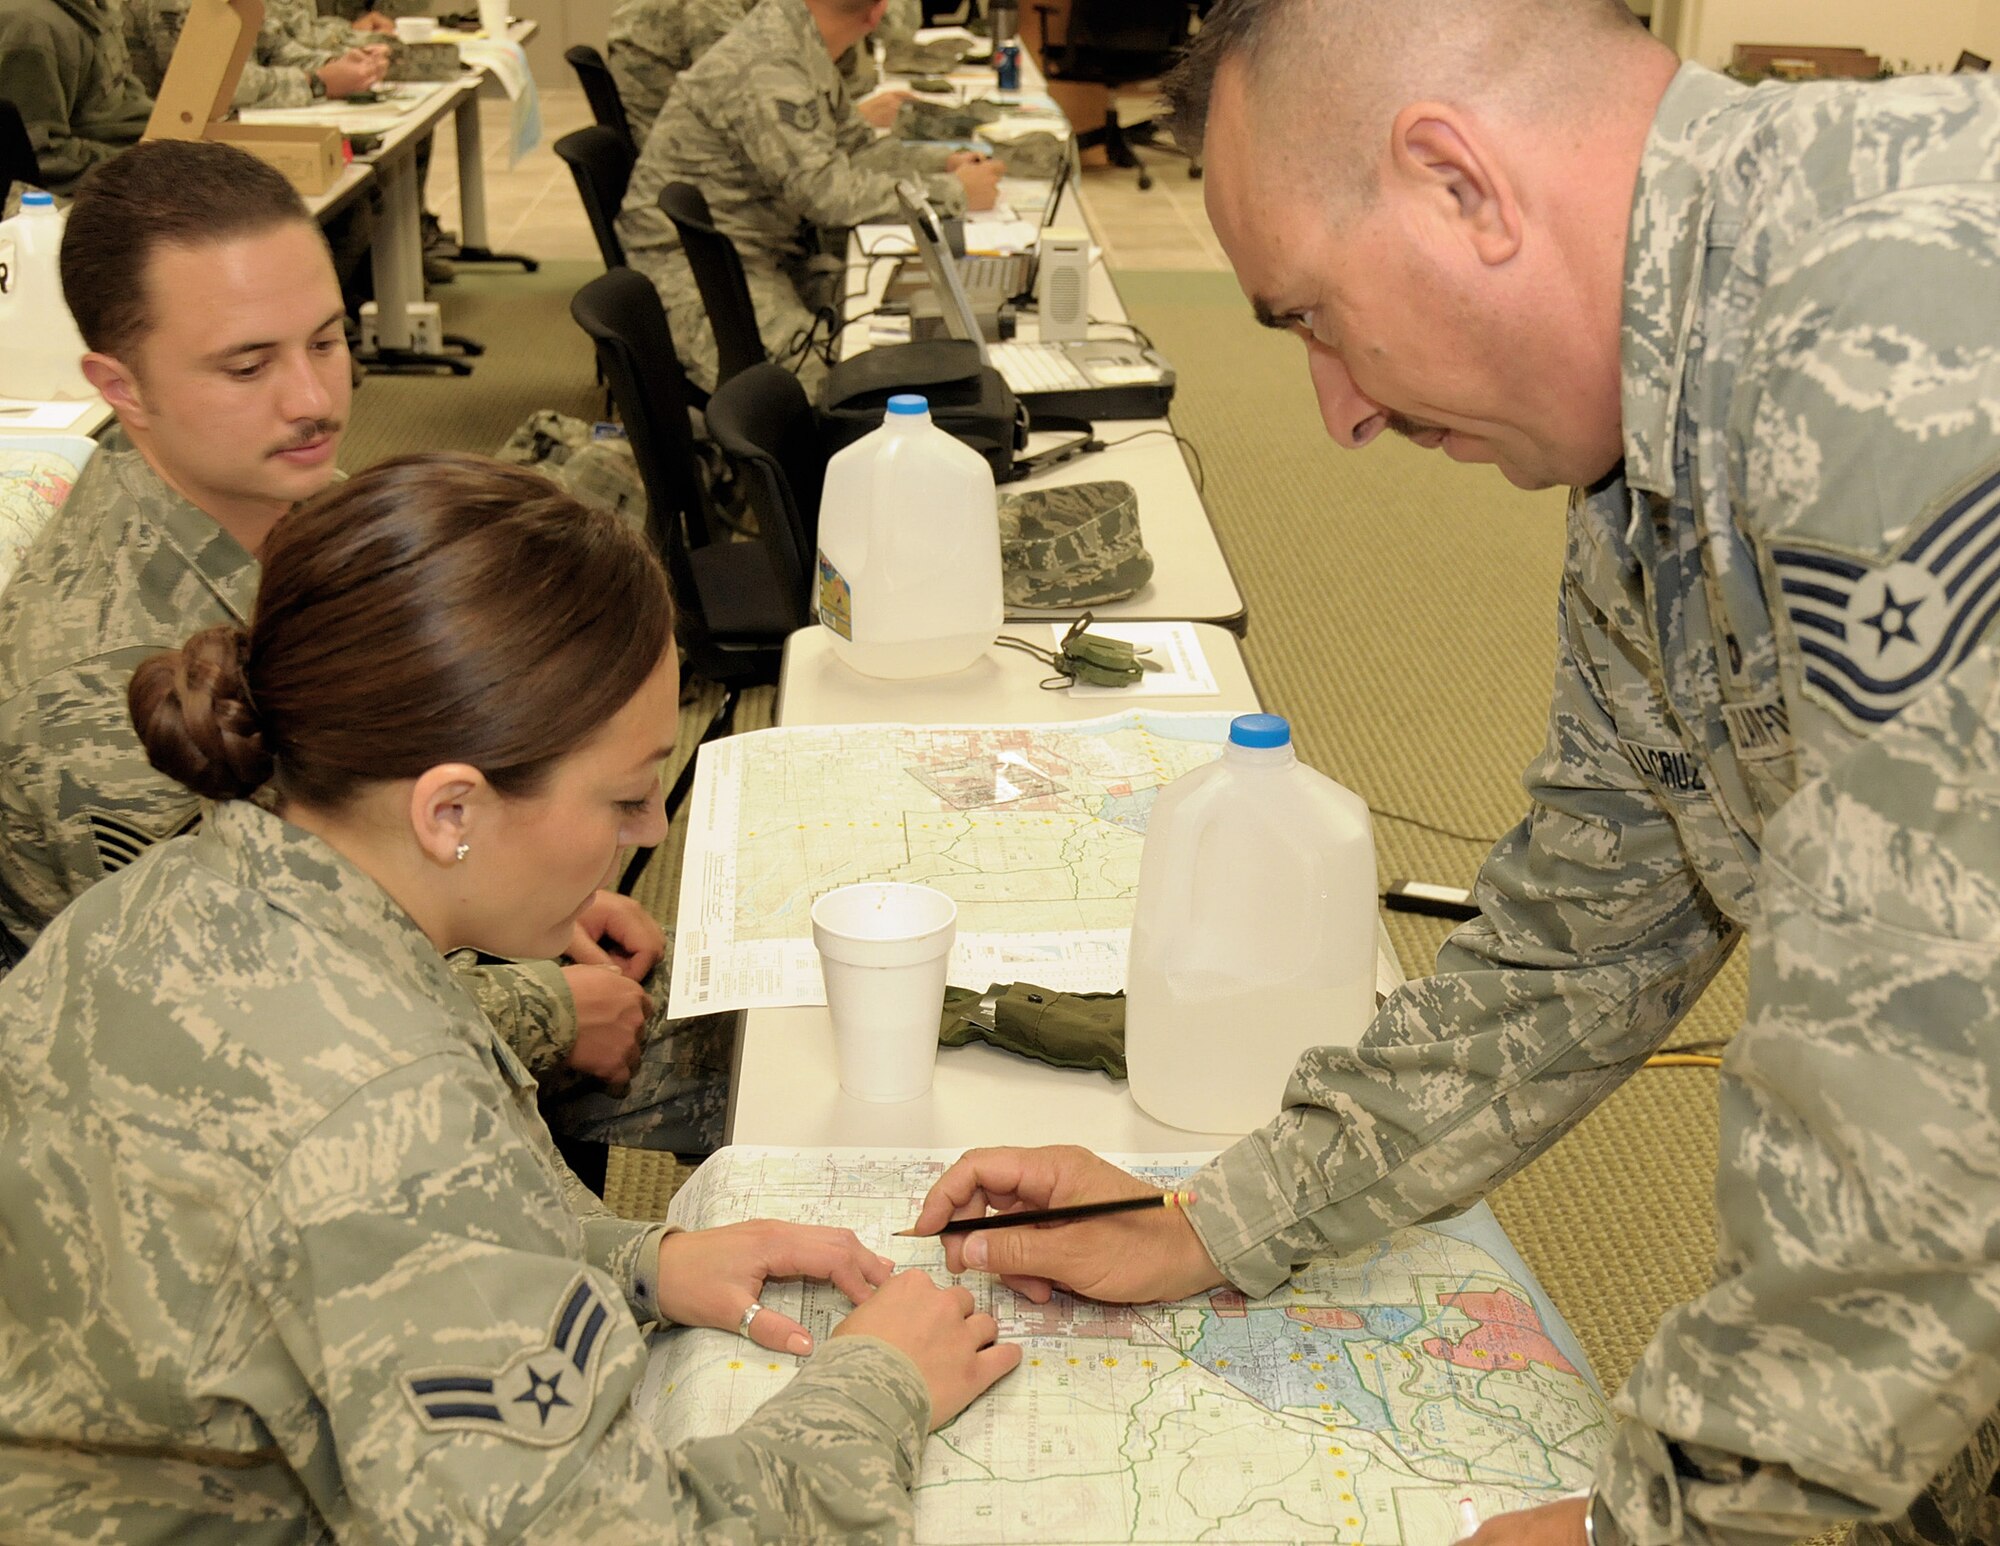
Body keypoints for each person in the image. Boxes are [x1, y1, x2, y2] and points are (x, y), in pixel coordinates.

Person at [908, 4, 2000, 1545]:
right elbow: (1579, 935)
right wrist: (1214, 1219)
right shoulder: (1670, 434)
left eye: (1316, 322)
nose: (1340, 416)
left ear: (1458, 185)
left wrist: (1656, 1527)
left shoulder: (1898, 333)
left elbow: (1930, 1089)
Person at [0, 453, 1021, 1538]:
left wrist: (636, 1261)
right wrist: (877, 1385)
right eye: (626, 796)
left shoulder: (184, 893)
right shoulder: (386, 1105)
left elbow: (330, 1259)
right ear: (451, 812)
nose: (650, 835)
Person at [0, 140, 720, 1157]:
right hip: (250, 1115)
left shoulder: (291, 502)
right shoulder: (85, 687)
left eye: (329, 341)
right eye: (248, 364)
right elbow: (228, 1020)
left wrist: (542, 886)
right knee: (759, 1080)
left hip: (416, 943)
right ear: (119, 385)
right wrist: (544, 1006)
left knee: (754, 998)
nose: (311, 400)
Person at [615, 0, 1003, 394]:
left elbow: (857, 150)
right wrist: (953, 194)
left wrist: (944, 163)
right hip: (698, 276)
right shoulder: (770, 64)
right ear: (877, 14)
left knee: (904, 331)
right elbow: (824, 194)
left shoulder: (798, 38)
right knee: (840, 388)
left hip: (757, 255)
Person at [608, 0, 920, 146]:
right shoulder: (704, 7)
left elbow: (896, 25)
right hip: (697, 193)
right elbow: (750, 105)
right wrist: (854, 119)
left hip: (716, 163)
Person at [0, 0, 151, 196]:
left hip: (134, 156)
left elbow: (127, 100)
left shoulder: (88, 9)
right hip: (82, 194)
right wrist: (145, 169)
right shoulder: (31, 26)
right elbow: (35, 158)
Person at [127, 0, 391, 109]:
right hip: (165, 152)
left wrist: (350, 64)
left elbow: (276, 47)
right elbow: (215, 88)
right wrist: (318, 81)